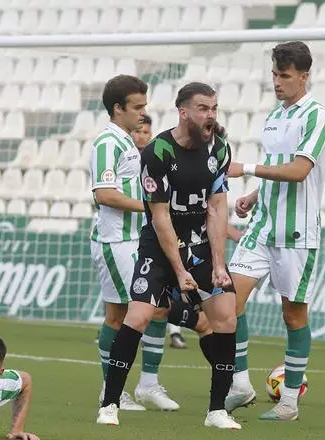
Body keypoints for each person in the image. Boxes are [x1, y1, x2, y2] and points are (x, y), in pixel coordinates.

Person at [97, 82, 240, 429]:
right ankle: (110, 403)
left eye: (214, 109)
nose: (210, 116)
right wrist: (178, 271)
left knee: (226, 317)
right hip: (160, 247)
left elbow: (218, 208)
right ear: (184, 112)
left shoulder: (219, 150)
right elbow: (159, 217)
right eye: (204, 108)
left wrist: (219, 264)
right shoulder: (158, 151)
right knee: (139, 316)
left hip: (201, 245)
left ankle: (217, 410)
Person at [225, 41, 325, 421]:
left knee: (293, 316)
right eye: (274, 74)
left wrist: (247, 170)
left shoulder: (317, 116)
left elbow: (300, 170)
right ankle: (239, 384)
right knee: (227, 302)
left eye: (284, 76)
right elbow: (277, 166)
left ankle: (289, 402)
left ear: (304, 76)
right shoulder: (274, 114)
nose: (277, 82)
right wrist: (255, 195)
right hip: (263, 225)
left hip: (296, 233)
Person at [89, 75, 179, 412]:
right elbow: (104, 194)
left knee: (157, 308)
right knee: (121, 316)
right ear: (118, 108)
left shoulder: (127, 141)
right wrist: (151, 206)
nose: (143, 113)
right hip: (115, 241)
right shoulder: (107, 143)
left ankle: (147, 385)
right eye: (137, 107)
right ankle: (112, 390)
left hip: (135, 240)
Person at [132, 114, 188, 349]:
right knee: (137, 292)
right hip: (132, 231)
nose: (142, 136)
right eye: (138, 131)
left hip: (157, 230)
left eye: (146, 132)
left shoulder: (158, 157)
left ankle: (175, 331)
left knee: (169, 288)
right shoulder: (127, 156)